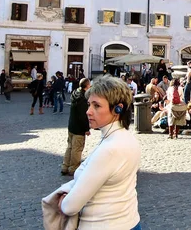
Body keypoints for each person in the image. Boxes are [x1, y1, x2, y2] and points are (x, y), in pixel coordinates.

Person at [52, 75, 141, 230]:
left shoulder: (110, 149)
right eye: (89, 105)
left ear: (117, 109)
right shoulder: (127, 138)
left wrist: (63, 201)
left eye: (96, 106)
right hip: (129, 221)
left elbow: (69, 207)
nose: (88, 111)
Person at [61, 78, 91, 176]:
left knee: (70, 147)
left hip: (71, 125)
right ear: (87, 86)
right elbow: (83, 115)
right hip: (79, 128)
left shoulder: (75, 93)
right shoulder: (82, 98)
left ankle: (65, 166)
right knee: (77, 149)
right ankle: (74, 168)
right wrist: (86, 128)